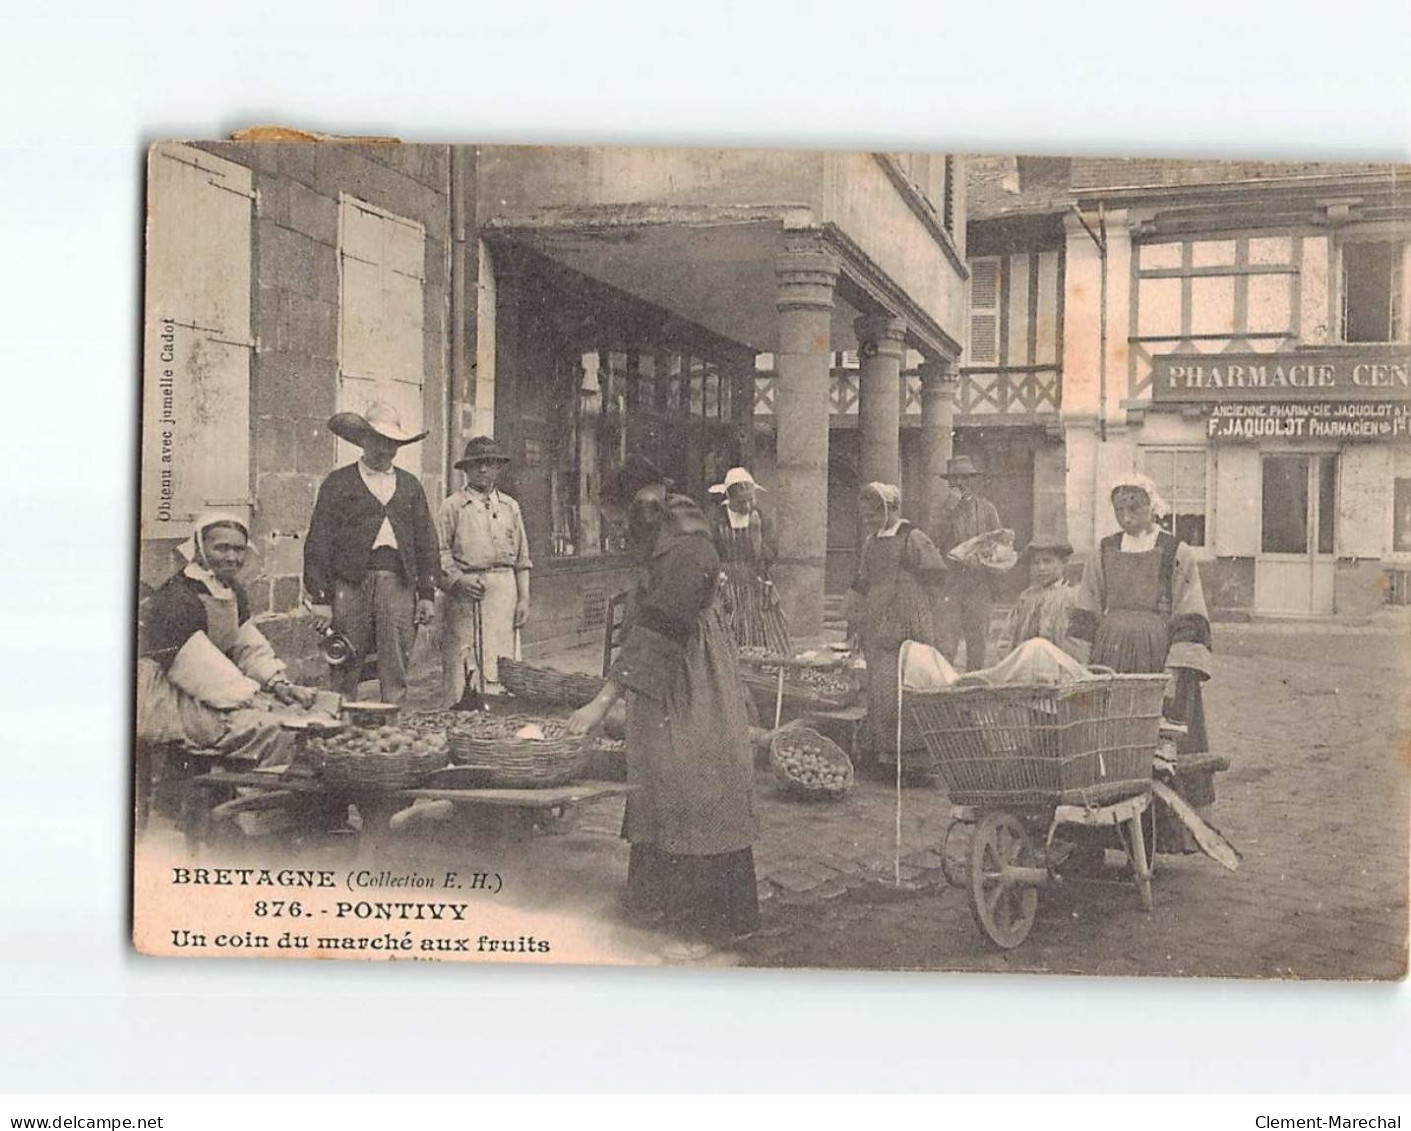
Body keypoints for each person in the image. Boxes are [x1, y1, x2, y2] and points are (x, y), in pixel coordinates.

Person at [567, 456, 760, 955]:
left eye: (620, 518)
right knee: (658, 775)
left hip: (691, 673)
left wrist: (602, 702)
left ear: (646, 505)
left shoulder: (688, 545)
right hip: (666, 674)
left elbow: (661, 626)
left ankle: (707, 917)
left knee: (695, 775)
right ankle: (659, 901)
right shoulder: (667, 531)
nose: (618, 531)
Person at [1069, 473, 1217, 850]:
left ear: (1153, 506)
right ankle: (1103, 833)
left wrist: (1177, 667)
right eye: (1120, 507)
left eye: (1135, 505)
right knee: (1107, 740)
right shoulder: (1103, 551)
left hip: (1156, 656)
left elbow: (1190, 611)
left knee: (1156, 741)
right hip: (1110, 656)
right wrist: (1076, 664)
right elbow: (1086, 607)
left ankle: (1157, 837)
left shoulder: (1176, 551)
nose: (1127, 513)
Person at [137, 512, 319, 754]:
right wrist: (254, 698)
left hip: (217, 688)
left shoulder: (231, 590)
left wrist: (278, 684)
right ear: (200, 548)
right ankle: (250, 788)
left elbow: (247, 645)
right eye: (221, 548)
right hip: (173, 696)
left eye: (239, 549)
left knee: (304, 712)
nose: (232, 557)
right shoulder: (177, 597)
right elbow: (197, 667)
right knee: (273, 727)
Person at [303, 404, 439, 705]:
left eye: (392, 443)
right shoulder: (337, 483)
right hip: (350, 582)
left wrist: (427, 592)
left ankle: (391, 731)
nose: (385, 450)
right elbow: (319, 543)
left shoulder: (410, 486)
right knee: (344, 657)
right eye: (379, 441)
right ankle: (341, 730)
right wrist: (322, 598)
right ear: (363, 440)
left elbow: (426, 541)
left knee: (396, 661)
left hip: (398, 582)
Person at [847, 482, 947, 769]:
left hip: (908, 615)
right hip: (876, 615)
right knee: (879, 683)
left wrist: (914, 604)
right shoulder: (871, 541)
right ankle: (883, 751)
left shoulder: (912, 537)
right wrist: (853, 613)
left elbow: (936, 573)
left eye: (874, 515)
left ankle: (910, 756)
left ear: (890, 509)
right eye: (865, 516)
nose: (869, 521)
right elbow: (863, 578)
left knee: (902, 679)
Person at [437, 436, 532, 705]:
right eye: (477, 464)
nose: (483, 470)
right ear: (466, 469)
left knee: (502, 664)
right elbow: (439, 553)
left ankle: (499, 717)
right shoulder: (452, 506)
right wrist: (457, 580)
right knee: (464, 664)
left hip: (504, 592)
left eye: (489, 464)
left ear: (498, 469)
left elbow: (523, 559)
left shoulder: (510, 507)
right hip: (465, 595)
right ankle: (460, 716)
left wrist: (524, 598)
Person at [707, 466, 791, 656]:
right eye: (741, 502)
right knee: (728, 626)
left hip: (755, 580)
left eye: (750, 500)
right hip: (726, 583)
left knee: (763, 629)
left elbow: (769, 557)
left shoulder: (761, 518)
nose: (747, 507)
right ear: (729, 499)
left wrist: (756, 538)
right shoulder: (717, 520)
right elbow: (709, 552)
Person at [931, 455, 1003, 671]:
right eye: (956, 478)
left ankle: (972, 690)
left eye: (966, 477)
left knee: (977, 643)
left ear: (974, 480)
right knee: (946, 643)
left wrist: (987, 560)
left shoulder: (987, 509)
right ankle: (943, 692)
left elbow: (998, 544)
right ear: (950, 482)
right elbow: (933, 540)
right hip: (950, 585)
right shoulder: (941, 509)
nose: (961, 483)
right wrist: (949, 510)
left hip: (979, 584)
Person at [1005, 540, 1082, 658]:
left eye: (1047, 561)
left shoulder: (1073, 597)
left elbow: (1078, 643)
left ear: (1063, 563)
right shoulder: (1027, 597)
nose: (1041, 568)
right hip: (1025, 663)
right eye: (1036, 563)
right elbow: (1008, 636)